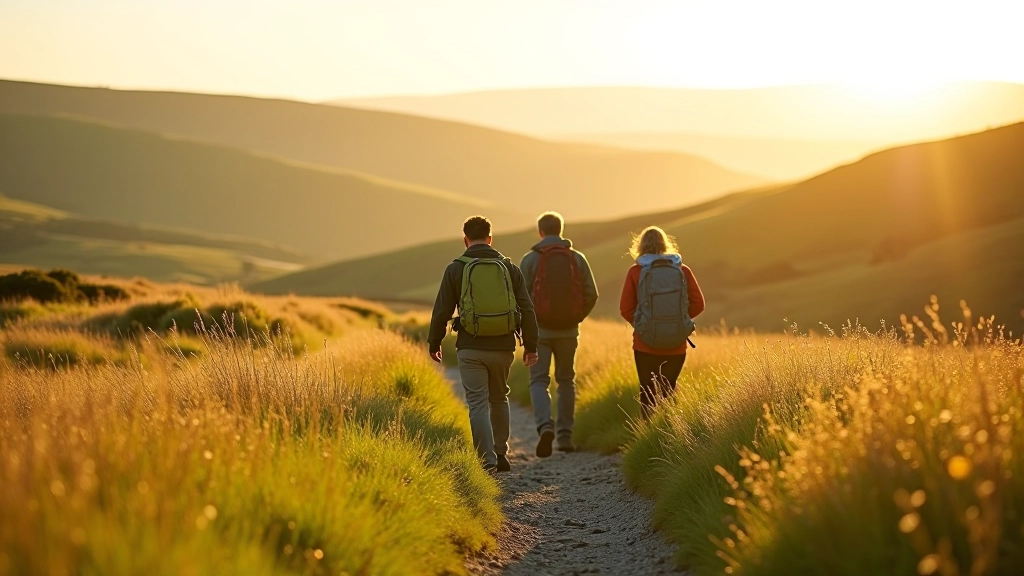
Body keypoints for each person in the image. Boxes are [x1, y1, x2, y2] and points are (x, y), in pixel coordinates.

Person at [428, 215, 539, 472]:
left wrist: (434, 342)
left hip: (470, 347)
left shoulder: (455, 269)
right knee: (499, 398)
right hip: (503, 347)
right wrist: (531, 346)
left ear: (465, 240)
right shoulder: (509, 268)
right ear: (490, 238)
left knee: (477, 403)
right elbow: (527, 309)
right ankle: (501, 454)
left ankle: (486, 460)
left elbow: (441, 310)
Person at [520, 211, 598, 457]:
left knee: (539, 381)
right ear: (561, 230)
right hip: (568, 332)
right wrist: (575, 318)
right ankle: (565, 436)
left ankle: (545, 426)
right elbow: (591, 294)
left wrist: (526, 329)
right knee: (566, 381)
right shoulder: (577, 258)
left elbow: (519, 297)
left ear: (540, 231)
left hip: (539, 332)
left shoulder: (530, 259)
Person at [619, 226, 705, 417]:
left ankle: (649, 440)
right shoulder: (682, 270)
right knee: (669, 390)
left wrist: (644, 325)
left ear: (640, 246)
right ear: (666, 244)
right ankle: (670, 436)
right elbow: (699, 303)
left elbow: (625, 308)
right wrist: (678, 320)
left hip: (644, 345)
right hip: (676, 343)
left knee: (647, 393)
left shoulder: (635, 272)